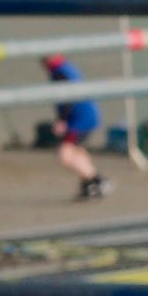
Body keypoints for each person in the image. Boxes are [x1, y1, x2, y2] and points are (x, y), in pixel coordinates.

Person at [36, 54, 105, 198]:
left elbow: (67, 96)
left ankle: (97, 181)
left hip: (79, 120)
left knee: (65, 155)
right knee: (77, 151)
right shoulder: (64, 68)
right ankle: (89, 184)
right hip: (84, 117)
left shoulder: (59, 72)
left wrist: (62, 121)